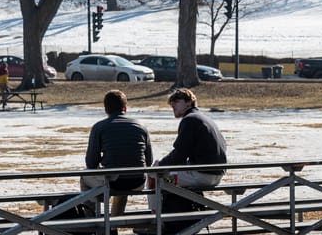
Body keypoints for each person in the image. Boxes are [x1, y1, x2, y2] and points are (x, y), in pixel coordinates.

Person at [151, 88, 228, 219]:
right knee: (166, 175)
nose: (173, 104)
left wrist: (160, 165)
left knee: (154, 176)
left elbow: (179, 154)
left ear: (189, 103)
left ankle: (155, 220)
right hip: (216, 174)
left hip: (201, 176)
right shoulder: (204, 118)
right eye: (171, 102)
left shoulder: (189, 120)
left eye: (176, 101)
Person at [82, 89, 152, 219]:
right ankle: (113, 226)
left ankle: (90, 220)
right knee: (124, 175)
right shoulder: (141, 126)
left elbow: (90, 163)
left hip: (113, 182)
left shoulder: (99, 127)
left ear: (106, 109)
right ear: (125, 108)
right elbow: (149, 160)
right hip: (138, 181)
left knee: (85, 177)